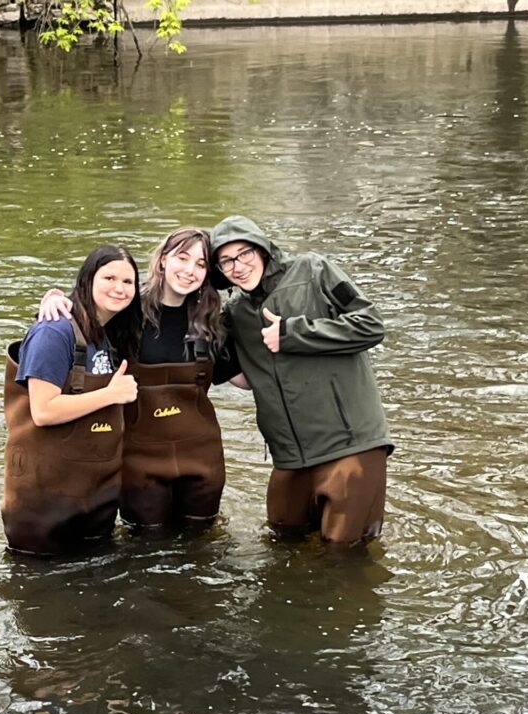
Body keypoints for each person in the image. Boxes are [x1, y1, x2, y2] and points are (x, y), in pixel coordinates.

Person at [39, 227, 246, 531]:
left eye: (201, 264)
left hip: (202, 461)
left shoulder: (213, 321)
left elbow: (246, 380)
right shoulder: (126, 310)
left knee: (203, 547)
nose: (190, 270)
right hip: (139, 463)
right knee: (144, 550)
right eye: (182, 257)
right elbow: (83, 321)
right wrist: (56, 302)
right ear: (163, 260)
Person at [210, 215, 393, 546]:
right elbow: (237, 375)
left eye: (245, 253)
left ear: (263, 250)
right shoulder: (235, 313)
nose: (238, 266)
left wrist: (293, 333)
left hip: (350, 445)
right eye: (226, 261)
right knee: (281, 543)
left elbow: (371, 325)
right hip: (290, 457)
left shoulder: (314, 270)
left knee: (344, 558)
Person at [2, 244, 142, 555]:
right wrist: (110, 395)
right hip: (44, 503)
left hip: (91, 497)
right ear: (88, 279)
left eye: (128, 282)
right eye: (109, 278)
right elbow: (43, 410)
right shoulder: (54, 331)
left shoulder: (108, 334)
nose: (119, 288)